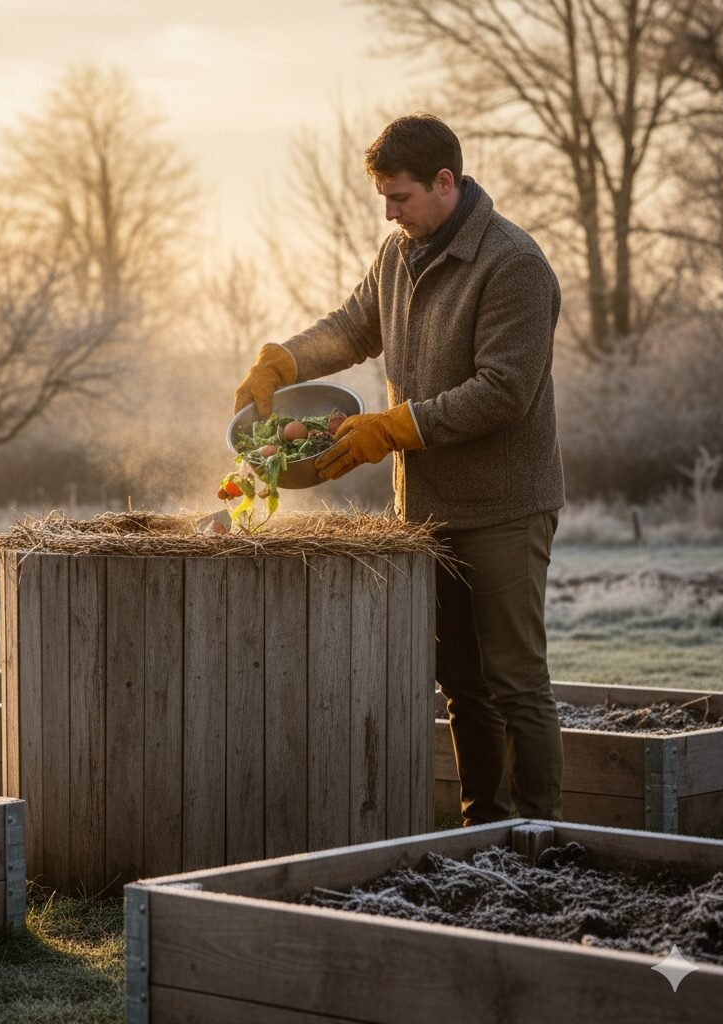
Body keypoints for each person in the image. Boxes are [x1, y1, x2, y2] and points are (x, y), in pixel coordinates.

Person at [233, 113, 565, 825]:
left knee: (513, 680)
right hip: (429, 509)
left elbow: (505, 391)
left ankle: (541, 836)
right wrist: (284, 359)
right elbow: (354, 326)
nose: (389, 211)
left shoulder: (514, 266)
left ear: (446, 182)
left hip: (505, 506)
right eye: (383, 197)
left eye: (399, 196)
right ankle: (487, 825)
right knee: (462, 684)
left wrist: (397, 426)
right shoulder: (399, 252)